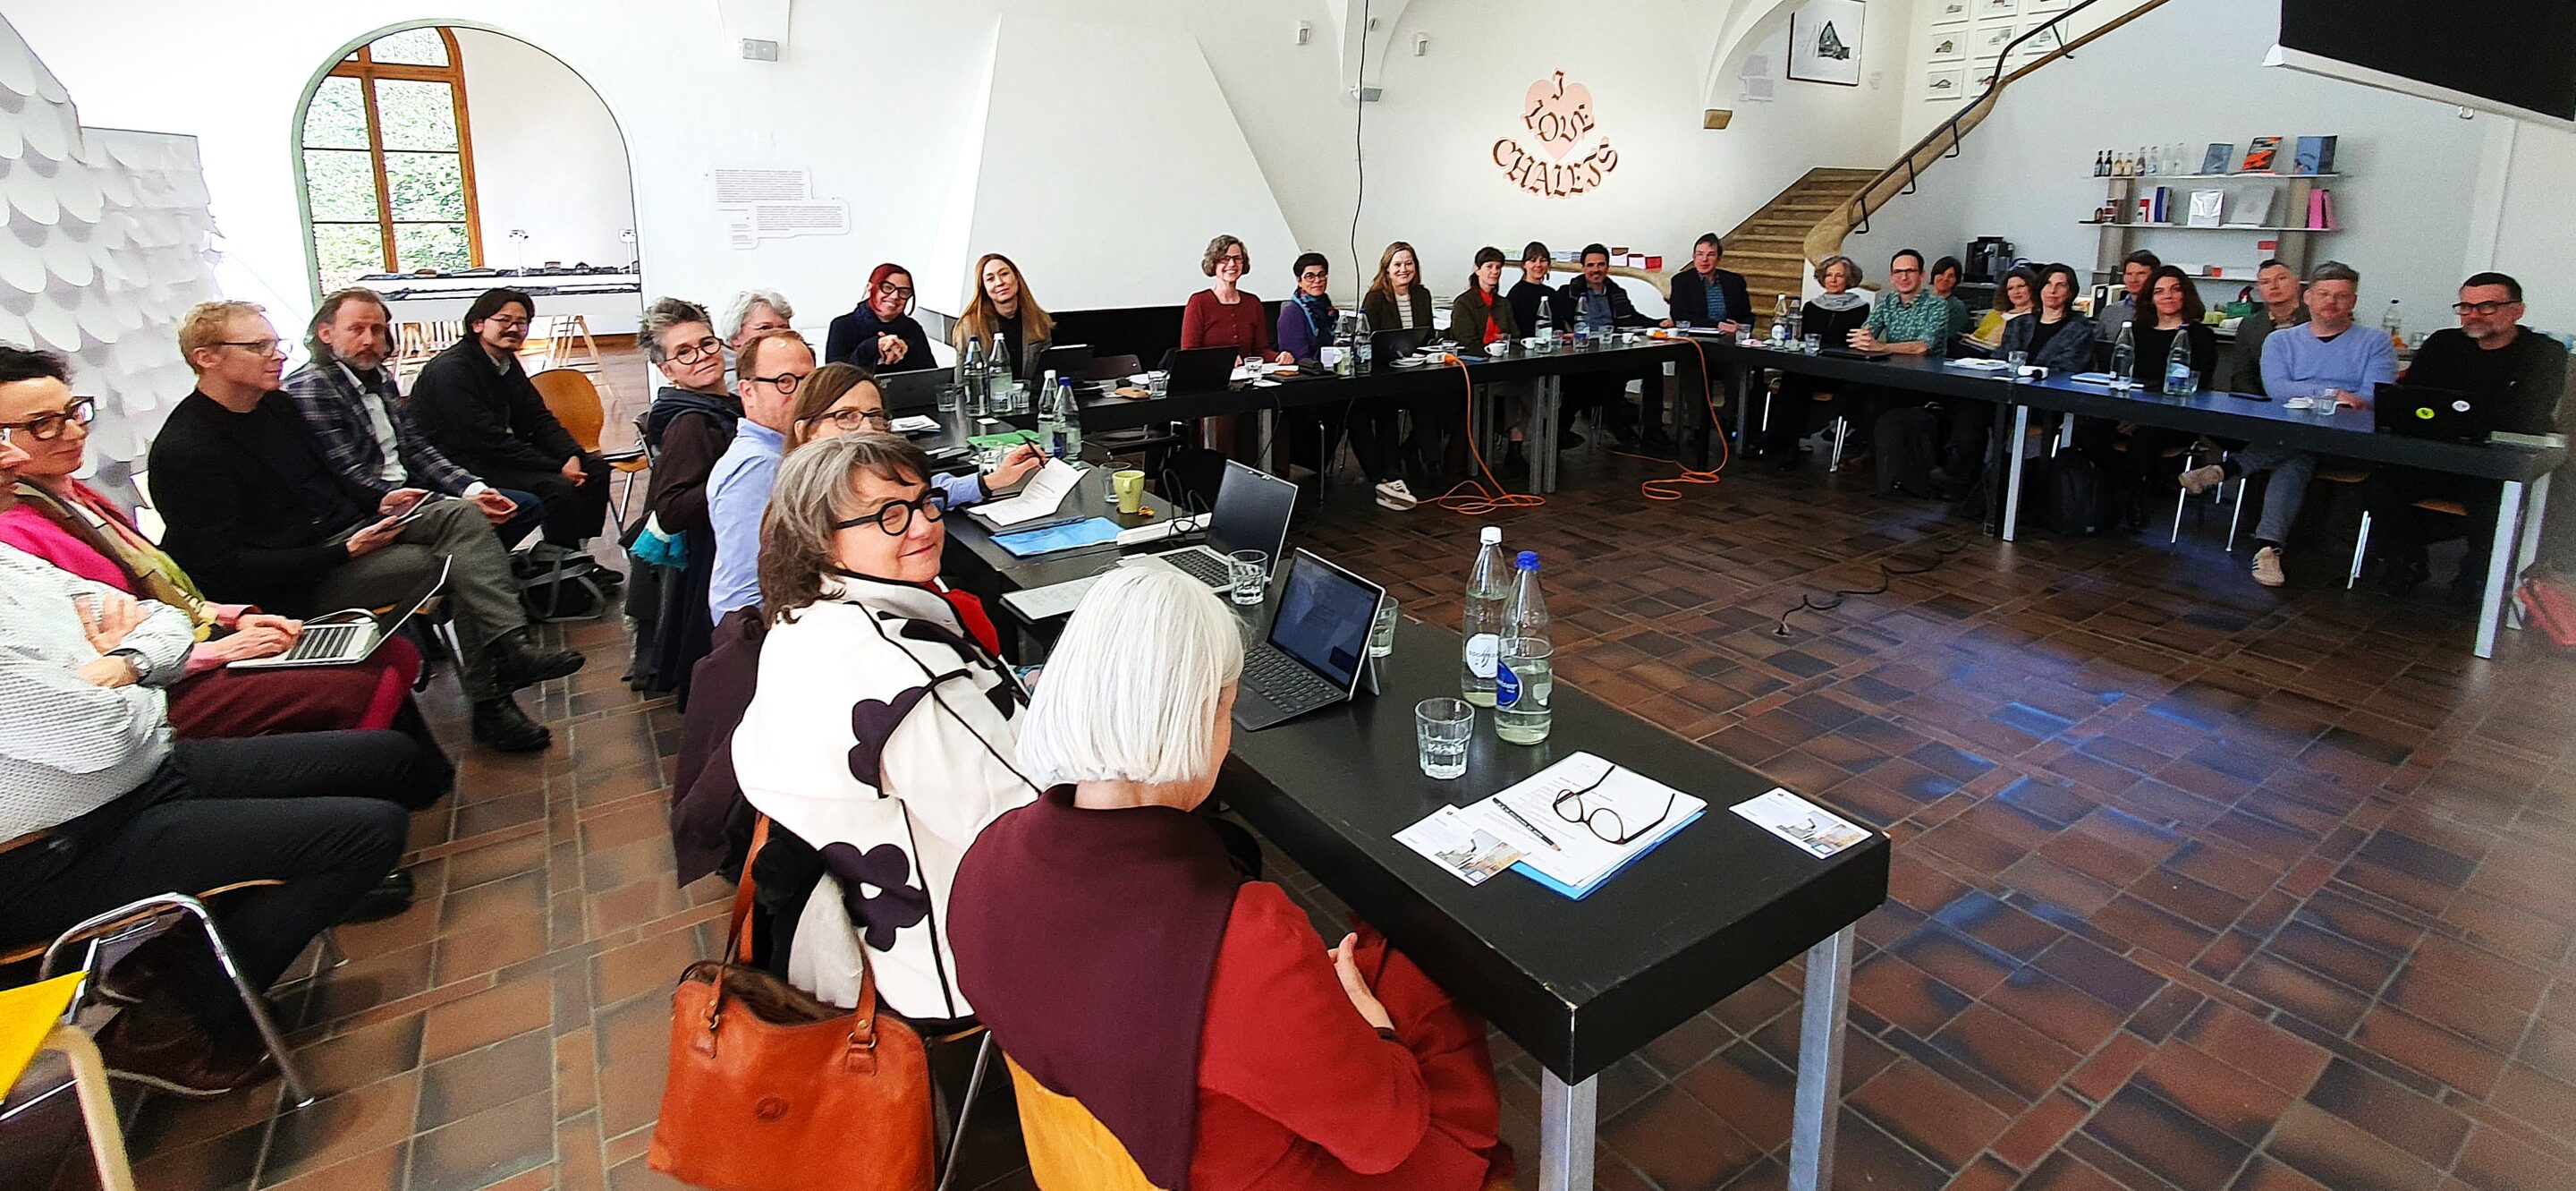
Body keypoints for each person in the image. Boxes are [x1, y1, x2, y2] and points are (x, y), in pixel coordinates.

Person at [949, 566, 1513, 1191]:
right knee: (1415, 961)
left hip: (1095, 1154)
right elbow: (1388, 1136)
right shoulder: (1246, 942)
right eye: (1228, 708)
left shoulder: (986, 859)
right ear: (1199, 716)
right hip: (1269, 1171)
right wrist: (1372, 1024)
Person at [0, 508, 432, 1095]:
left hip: (144, 769)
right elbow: (99, 735)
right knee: (367, 833)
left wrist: (123, 663)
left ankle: (172, 956)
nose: (12, 465)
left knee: (388, 758)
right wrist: (134, 672)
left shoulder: (11, 560)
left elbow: (160, 620)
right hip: (54, 850)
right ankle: (171, 1024)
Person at [147, 302, 581, 751]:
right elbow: (221, 568)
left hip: (344, 534)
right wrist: (343, 551)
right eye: (259, 346)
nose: (277, 355)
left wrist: (379, 501)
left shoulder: (274, 406)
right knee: (460, 562)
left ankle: (511, 646)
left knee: (463, 516)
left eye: (276, 344)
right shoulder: (187, 449)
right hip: (294, 583)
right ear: (206, 358)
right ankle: (494, 695)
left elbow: (329, 478)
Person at [728, 433, 1042, 1023]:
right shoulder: (909, 679)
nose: (923, 526)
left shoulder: (799, 624)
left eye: (924, 503)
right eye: (888, 516)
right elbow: (1030, 831)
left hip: (865, 935)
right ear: (821, 537)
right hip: (954, 957)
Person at [0, 346, 442, 759]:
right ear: (207, 357)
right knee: (371, 672)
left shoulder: (74, 494)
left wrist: (234, 618)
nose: (74, 431)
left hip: (205, 629)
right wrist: (223, 645)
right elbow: (104, 655)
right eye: (43, 425)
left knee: (387, 651)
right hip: (164, 679)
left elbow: (164, 595)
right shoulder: (21, 528)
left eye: (74, 412)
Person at [707, 350, 1040, 622]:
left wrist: (987, 482)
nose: (867, 428)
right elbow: (744, 596)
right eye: (847, 417)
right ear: (807, 431)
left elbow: (907, 494)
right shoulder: (761, 474)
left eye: (876, 416)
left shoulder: (853, 484)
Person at [2179, 261, 2397, 587]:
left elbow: (2375, 395)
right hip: (2293, 434)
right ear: (2309, 298)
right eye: (2323, 294)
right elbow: (2278, 389)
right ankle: (2268, 549)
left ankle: (2227, 469)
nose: (2331, 302)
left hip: (2348, 443)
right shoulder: (2280, 341)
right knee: (2298, 457)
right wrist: (2334, 394)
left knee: (2296, 448)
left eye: (2341, 296)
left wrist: (2309, 393)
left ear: (2353, 301)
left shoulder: (2376, 341)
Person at [2368, 272, 2567, 596]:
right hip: (2441, 454)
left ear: (2517, 310)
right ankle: (2407, 563)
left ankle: (2477, 577)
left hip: (2498, 462)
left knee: (2493, 503)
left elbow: (2529, 412)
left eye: (2487, 306)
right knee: (2381, 486)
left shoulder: (2545, 352)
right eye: (2465, 307)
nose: (2473, 315)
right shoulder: (2443, 344)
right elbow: (2411, 398)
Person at [282, 287, 531, 544]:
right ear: (325, 333)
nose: (369, 341)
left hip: (409, 486)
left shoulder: (380, 377)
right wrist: (448, 500)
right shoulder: (313, 386)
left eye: (377, 330)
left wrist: (473, 489)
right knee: (467, 515)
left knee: (520, 506)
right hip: (368, 507)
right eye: (356, 330)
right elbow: (350, 474)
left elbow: (415, 447)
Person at [406, 288, 612, 551]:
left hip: (493, 454)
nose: (514, 329)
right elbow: (484, 440)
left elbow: (537, 416)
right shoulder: (452, 369)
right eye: (504, 320)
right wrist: (556, 466)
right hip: (459, 463)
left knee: (595, 469)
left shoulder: (506, 361)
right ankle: (561, 561)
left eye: (521, 323)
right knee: (556, 487)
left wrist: (570, 455)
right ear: (477, 324)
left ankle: (578, 551)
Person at [632, 298, 743, 700]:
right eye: (684, 352)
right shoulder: (691, 423)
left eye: (706, 343)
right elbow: (671, 509)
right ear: (668, 370)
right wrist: (736, 481)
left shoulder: (721, 405)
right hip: (712, 557)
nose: (701, 357)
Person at [2080, 266, 2214, 527]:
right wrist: (2131, 414)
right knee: (2090, 431)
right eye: (2159, 291)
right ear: (2150, 298)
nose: (2168, 296)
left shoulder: (2200, 336)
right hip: (2131, 411)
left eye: (2175, 290)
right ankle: (2123, 488)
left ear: (2186, 294)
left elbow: (2196, 384)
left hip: (2175, 417)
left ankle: (2124, 502)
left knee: (2143, 440)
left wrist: (2144, 418)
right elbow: (2125, 377)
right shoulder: (2135, 332)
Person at [1760, 255, 1873, 467]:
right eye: (1829, 275)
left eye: (1839, 276)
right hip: (1810, 368)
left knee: (1796, 381)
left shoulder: (1860, 308)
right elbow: (1803, 338)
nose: (1833, 280)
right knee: (1794, 379)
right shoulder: (1812, 306)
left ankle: (1782, 441)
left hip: (1839, 370)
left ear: (1848, 279)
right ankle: (1787, 442)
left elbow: (1852, 342)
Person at [1358, 242, 1438, 504]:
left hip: (1417, 370)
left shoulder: (1422, 295)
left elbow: (1428, 335)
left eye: (1409, 263)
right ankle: (1391, 469)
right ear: (1387, 269)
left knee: (1435, 399)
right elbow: (1369, 340)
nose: (1404, 269)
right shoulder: (1375, 298)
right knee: (1386, 405)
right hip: (1384, 373)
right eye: (1398, 264)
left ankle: (1432, 464)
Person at [1558, 243, 1657, 445]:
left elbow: (1634, 317)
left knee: (1653, 366)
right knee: (1598, 377)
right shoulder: (1568, 292)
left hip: (1614, 351)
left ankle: (1653, 429)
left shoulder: (1616, 292)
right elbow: (1558, 320)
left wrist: (1659, 323)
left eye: (1601, 264)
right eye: (1591, 265)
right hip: (1582, 355)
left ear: (1608, 266)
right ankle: (1612, 420)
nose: (1596, 270)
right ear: (1583, 267)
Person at [1451, 247, 1531, 474]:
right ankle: (1516, 445)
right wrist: (1493, 344)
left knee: (1527, 387)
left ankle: (1515, 447)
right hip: (1476, 371)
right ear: (1478, 270)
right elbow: (1466, 341)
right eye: (1489, 267)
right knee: (1522, 392)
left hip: (1503, 366)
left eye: (1498, 267)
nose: (1495, 271)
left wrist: (1503, 340)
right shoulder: (1464, 303)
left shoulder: (1503, 304)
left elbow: (1514, 335)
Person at [1183, 234, 1292, 366]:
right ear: (1213, 262)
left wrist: (1279, 356)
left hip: (1247, 376)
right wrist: (1222, 359)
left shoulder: (1253, 303)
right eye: (1224, 259)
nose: (1232, 264)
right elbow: (1188, 354)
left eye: (1237, 258)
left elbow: (1260, 350)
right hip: (1211, 377)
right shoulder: (1199, 302)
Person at [953, 253, 1055, 384]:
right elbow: (961, 383)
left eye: (1004, 274)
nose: (1000, 282)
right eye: (990, 279)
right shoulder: (969, 326)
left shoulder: (1039, 320)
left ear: (1016, 278)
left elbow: (1048, 375)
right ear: (983, 288)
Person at [2213, 259, 2307, 395]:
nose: (2274, 286)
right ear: (2259, 290)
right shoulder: (2249, 326)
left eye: (2281, 279)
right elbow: (2242, 377)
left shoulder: (2317, 320)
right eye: (2265, 282)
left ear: (2296, 283)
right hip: (2262, 399)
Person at [825, 264, 938, 373]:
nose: (895, 296)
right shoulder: (842, 326)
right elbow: (833, 377)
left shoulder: (913, 328)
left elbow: (931, 376)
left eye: (904, 292)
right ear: (869, 288)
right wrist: (871, 348)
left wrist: (907, 349)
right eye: (887, 287)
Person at [1667, 233, 1750, 333]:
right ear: (1694, 257)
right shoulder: (1681, 281)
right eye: (1700, 254)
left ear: (1719, 258)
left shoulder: (1735, 281)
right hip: (1695, 336)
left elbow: (1747, 316)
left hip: (1730, 335)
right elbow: (1679, 316)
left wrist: (1741, 327)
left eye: (1711, 255)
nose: (1704, 259)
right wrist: (1717, 325)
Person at [1966, 266, 2038, 353]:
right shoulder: (1994, 314)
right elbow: (1977, 338)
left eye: (2021, 286)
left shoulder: (2039, 316)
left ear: (2032, 287)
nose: (2016, 292)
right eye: (2010, 288)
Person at [2097, 251, 2162, 341]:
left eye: (2141, 274)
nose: (2133, 280)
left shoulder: (2164, 310)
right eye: (2129, 274)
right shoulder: (2110, 311)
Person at [1505, 242, 1563, 338]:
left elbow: (1558, 326)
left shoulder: (1551, 293)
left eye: (1543, 260)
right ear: (1524, 265)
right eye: (1533, 261)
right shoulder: (1516, 294)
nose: (1538, 265)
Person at [722, 289, 795, 352]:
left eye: (783, 329)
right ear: (735, 337)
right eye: (765, 328)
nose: (777, 335)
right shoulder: (719, 363)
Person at [1930, 256, 1972, 347]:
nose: (1945, 278)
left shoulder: (1957, 307)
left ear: (1956, 280)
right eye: (1941, 273)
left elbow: (1944, 338)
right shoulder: (1922, 301)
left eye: (1951, 276)